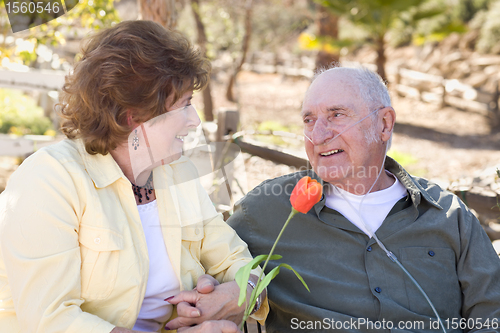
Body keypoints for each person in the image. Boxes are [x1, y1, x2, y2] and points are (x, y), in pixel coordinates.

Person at [0, 20, 266, 333]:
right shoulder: (49, 180)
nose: (195, 121)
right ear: (135, 117)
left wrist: (238, 293)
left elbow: (236, 259)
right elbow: (50, 320)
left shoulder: (176, 173)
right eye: (184, 106)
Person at [225, 66, 500, 332]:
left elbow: (492, 317)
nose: (318, 136)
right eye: (309, 120)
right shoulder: (265, 211)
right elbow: (203, 265)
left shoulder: (449, 215)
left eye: (336, 115)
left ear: (384, 124)